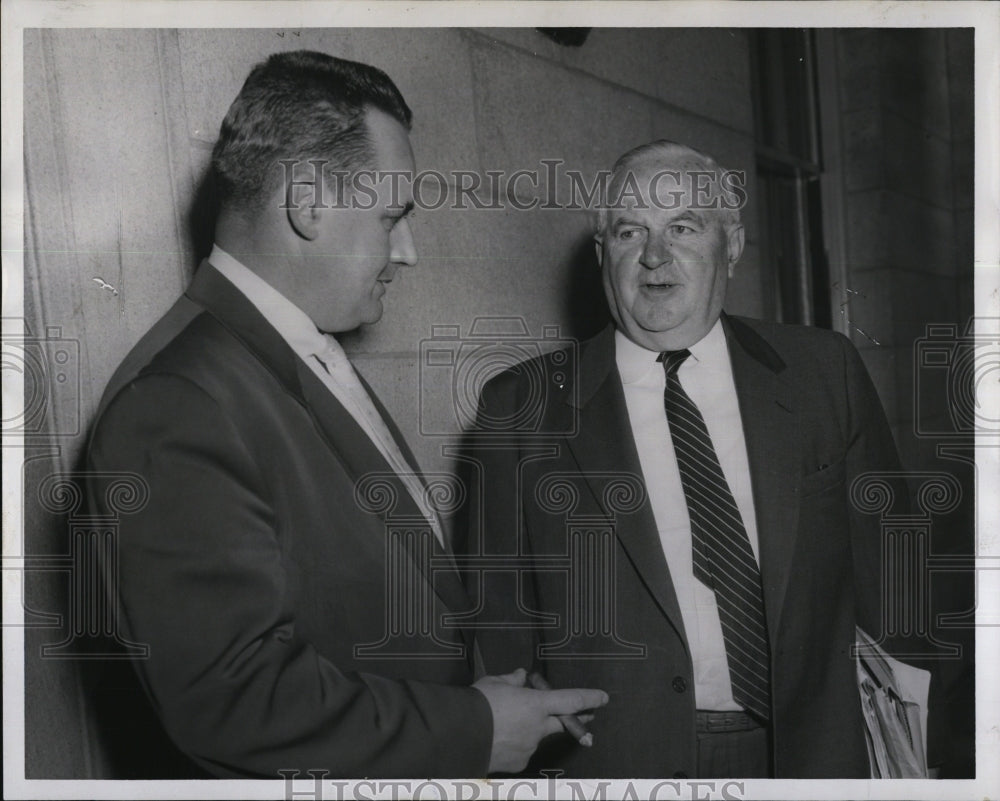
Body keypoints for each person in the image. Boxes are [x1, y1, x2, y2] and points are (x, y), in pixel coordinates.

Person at [85, 49, 607, 779]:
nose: (409, 250)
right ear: (307, 201)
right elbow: (232, 700)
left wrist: (489, 696)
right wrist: (475, 728)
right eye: (393, 216)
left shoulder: (289, 351)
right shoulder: (177, 401)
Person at [461, 140, 919, 778]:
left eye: (683, 226)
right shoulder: (523, 406)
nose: (654, 256)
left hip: (814, 753)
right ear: (603, 254)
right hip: (619, 761)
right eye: (630, 231)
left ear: (730, 244)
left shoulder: (823, 371)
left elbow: (897, 579)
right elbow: (497, 617)